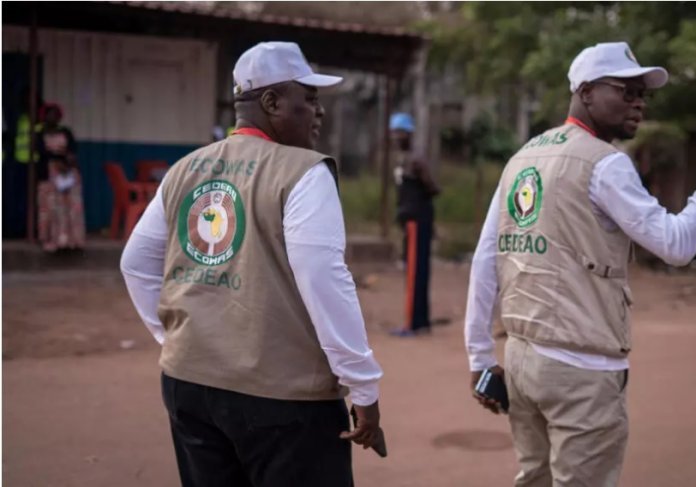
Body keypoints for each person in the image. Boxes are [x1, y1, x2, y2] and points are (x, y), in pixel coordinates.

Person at [464, 41, 696, 486]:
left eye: (643, 95)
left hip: (521, 360)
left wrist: (480, 357)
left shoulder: (524, 156)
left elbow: (486, 256)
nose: (638, 104)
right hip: (581, 371)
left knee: (533, 477)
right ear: (586, 91)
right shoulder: (606, 164)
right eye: (626, 91)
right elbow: (676, 244)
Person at [120, 41, 384, 487]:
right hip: (284, 401)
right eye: (310, 99)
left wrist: (175, 338)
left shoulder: (186, 168)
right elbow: (324, 280)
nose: (319, 113)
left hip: (189, 385)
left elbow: (136, 264)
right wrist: (363, 387)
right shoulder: (304, 171)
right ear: (271, 102)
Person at [389, 112, 440, 337]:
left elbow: (431, 187)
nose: (397, 137)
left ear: (409, 134)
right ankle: (420, 320)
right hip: (410, 219)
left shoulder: (416, 159)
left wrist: (415, 207)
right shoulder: (403, 158)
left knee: (416, 271)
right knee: (414, 269)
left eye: (401, 132)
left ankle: (414, 323)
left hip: (417, 220)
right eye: (394, 132)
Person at [35, 102, 86, 252]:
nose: (53, 117)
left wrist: (68, 162)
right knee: (52, 208)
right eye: (49, 114)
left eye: (55, 114)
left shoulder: (66, 132)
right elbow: (41, 152)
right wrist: (56, 161)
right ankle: (54, 240)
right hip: (50, 175)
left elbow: (72, 149)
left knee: (71, 207)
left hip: (68, 174)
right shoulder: (40, 133)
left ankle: (72, 241)